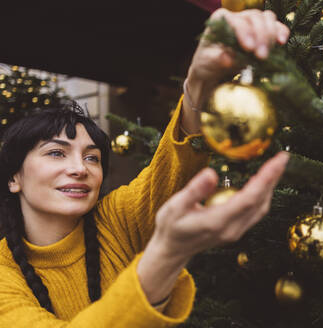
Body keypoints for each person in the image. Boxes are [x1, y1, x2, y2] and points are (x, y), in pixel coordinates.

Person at [0, 8, 290, 327]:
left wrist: (199, 81)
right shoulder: (4, 275)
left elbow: (171, 169)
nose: (79, 168)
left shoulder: (116, 220)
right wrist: (167, 254)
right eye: (57, 153)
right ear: (14, 177)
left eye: (92, 157)